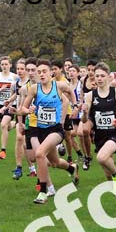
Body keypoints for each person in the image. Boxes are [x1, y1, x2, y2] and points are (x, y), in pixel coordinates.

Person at [19, 60, 79, 204]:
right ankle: (71, 169)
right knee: (54, 162)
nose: (41, 74)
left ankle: (43, 192)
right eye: (39, 72)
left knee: (39, 154)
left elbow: (70, 91)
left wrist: (75, 105)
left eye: (44, 71)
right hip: (41, 130)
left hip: (56, 130)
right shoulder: (34, 89)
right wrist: (29, 110)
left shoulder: (59, 86)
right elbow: (22, 109)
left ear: (51, 72)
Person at [83, 62, 116, 186]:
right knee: (107, 174)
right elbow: (84, 120)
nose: (99, 79)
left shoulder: (115, 92)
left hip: (114, 134)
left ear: (108, 76)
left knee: (101, 157)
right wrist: (84, 112)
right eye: (97, 76)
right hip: (100, 136)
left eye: (102, 76)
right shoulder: (90, 96)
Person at [0, 56, 18, 160]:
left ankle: (3, 151)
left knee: (3, 125)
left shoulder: (15, 77)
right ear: (0, 65)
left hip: (11, 104)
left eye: (6, 64)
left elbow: (19, 90)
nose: (4, 66)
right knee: (6, 127)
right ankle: (16, 124)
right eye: (2, 64)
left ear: (10, 65)